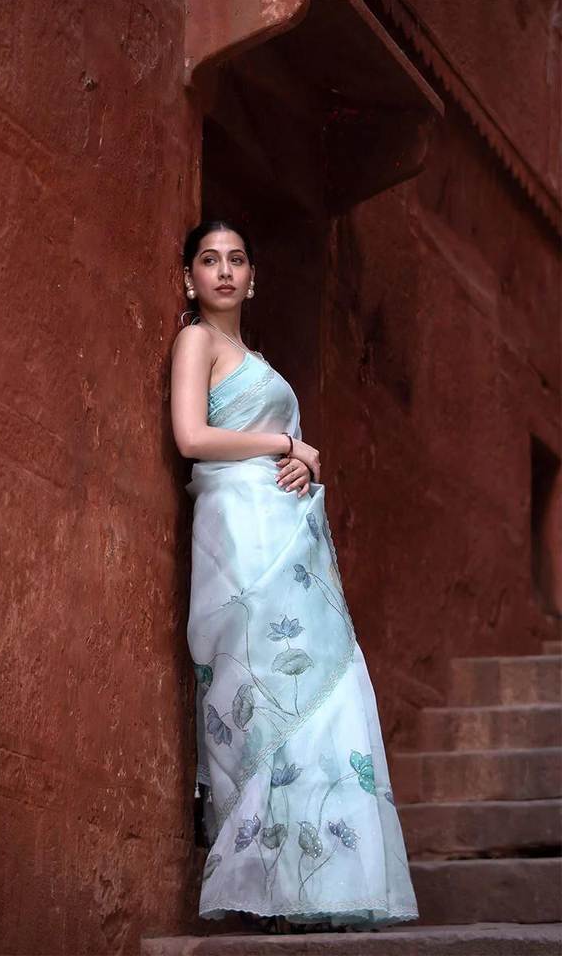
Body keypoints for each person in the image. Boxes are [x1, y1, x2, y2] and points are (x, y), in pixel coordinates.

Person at [170, 219, 419, 934]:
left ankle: (321, 882)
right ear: (189, 278)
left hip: (291, 541)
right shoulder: (197, 342)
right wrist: (287, 442)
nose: (224, 271)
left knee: (324, 689)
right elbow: (191, 437)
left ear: (253, 278)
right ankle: (267, 883)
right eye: (209, 260)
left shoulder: (258, 359)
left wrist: (303, 464)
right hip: (238, 540)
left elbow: (286, 454)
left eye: (237, 260)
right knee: (261, 693)